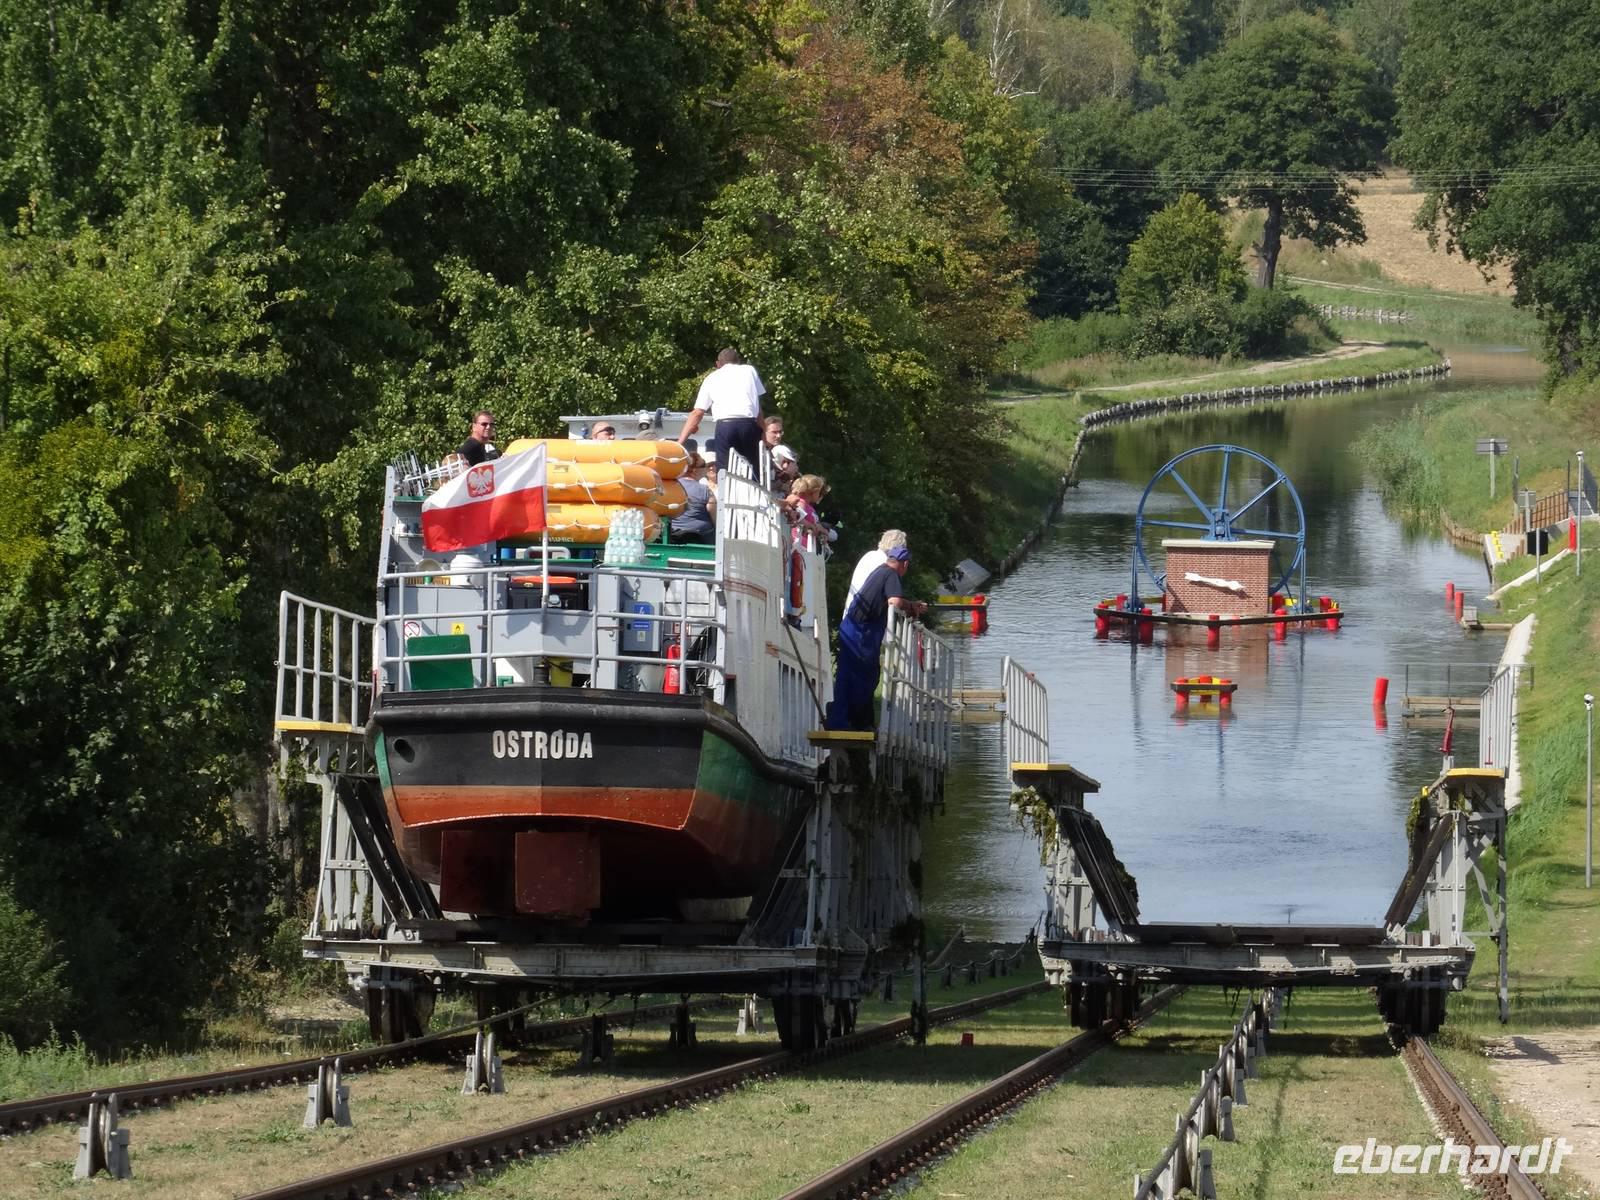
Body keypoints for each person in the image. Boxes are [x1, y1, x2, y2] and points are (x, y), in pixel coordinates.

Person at [826, 546, 927, 731]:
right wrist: (911, 605)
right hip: (862, 632)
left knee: (846, 676)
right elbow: (894, 601)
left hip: (851, 626)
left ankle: (840, 720)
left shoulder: (879, 570)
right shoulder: (891, 574)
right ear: (904, 564)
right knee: (866, 676)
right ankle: (858, 723)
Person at [678, 348, 764, 472]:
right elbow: (758, 407)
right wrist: (764, 432)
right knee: (754, 467)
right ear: (738, 361)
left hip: (726, 427)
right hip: (748, 425)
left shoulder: (711, 378)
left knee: (725, 470)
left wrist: (680, 442)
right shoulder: (749, 370)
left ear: (718, 364)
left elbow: (697, 413)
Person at [846, 529, 907, 618]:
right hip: (865, 623)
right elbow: (893, 601)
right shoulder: (886, 566)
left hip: (851, 617)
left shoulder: (869, 555)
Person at [671, 453, 717, 545]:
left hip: (673, 535)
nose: (707, 467)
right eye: (704, 465)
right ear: (695, 470)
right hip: (701, 538)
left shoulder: (671, 487)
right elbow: (715, 517)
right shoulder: (705, 490)